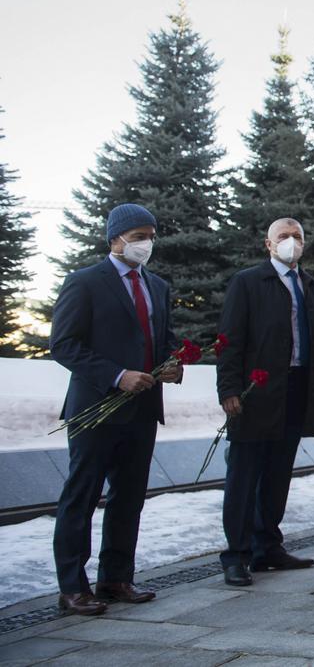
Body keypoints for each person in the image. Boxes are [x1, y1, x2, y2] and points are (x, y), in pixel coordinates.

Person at [48, 204, 180, 616]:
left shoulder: (156, 286)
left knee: (129, 498)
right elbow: (64, 345)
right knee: (81, 496)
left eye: (151, 236)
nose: (146, 244)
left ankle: (115, 578)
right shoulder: (85, 282)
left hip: (142, 410)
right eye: (138, 235)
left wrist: (172, 363)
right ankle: (73, 587)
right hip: (96, 409)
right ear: (115, 239)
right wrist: (116, 375)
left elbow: (163, 338)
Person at [217, 217, 314, 587]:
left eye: (297, 236)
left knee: (278, 473)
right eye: (283, 236)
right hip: (256, 392)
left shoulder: (310, 286)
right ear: (268, 245)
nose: (291, 242)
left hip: (297, 389)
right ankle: (237, 555)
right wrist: (229, 389)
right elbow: (229, 340)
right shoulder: (248, 282)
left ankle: (267, 546)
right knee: (244, 476)